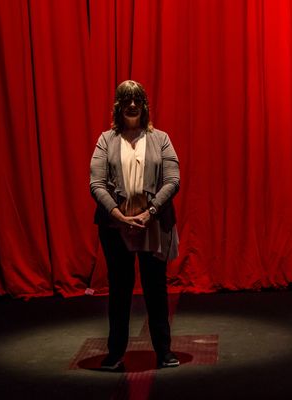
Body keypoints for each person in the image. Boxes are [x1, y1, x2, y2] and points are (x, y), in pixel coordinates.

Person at [90, 80, 181, 370]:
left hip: (152, 225)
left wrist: (149, 213)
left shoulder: (161, 139)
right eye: (127, 101)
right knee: (119, 291)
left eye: (137, 100)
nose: (132, 105)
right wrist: (118, 215)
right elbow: (97, 183)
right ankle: (115, 354)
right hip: (117, 228)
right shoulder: (106, 140)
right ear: (119, 106)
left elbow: (172, 180)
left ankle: (164, 352)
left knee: (156, 290)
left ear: (144, 105)